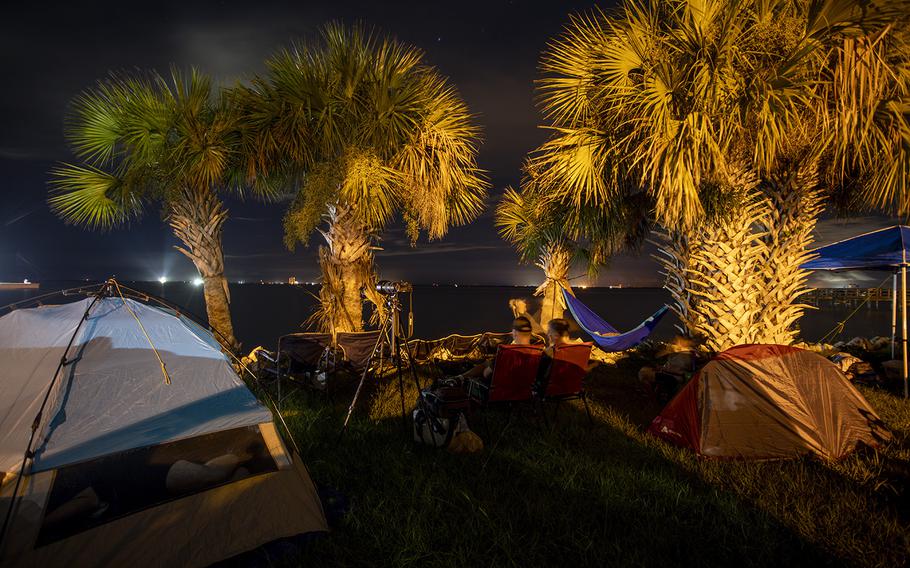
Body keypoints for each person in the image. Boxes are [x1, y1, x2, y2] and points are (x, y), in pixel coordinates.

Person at [457, 316, 534, 382]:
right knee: (489, 363)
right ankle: (461, 377)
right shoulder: (538, 352)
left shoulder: (506, 353)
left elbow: (486, 374)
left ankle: (459, 378)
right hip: (525, 393)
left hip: (502, 393)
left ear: (515, 333)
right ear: (530, 332)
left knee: (486, 368)